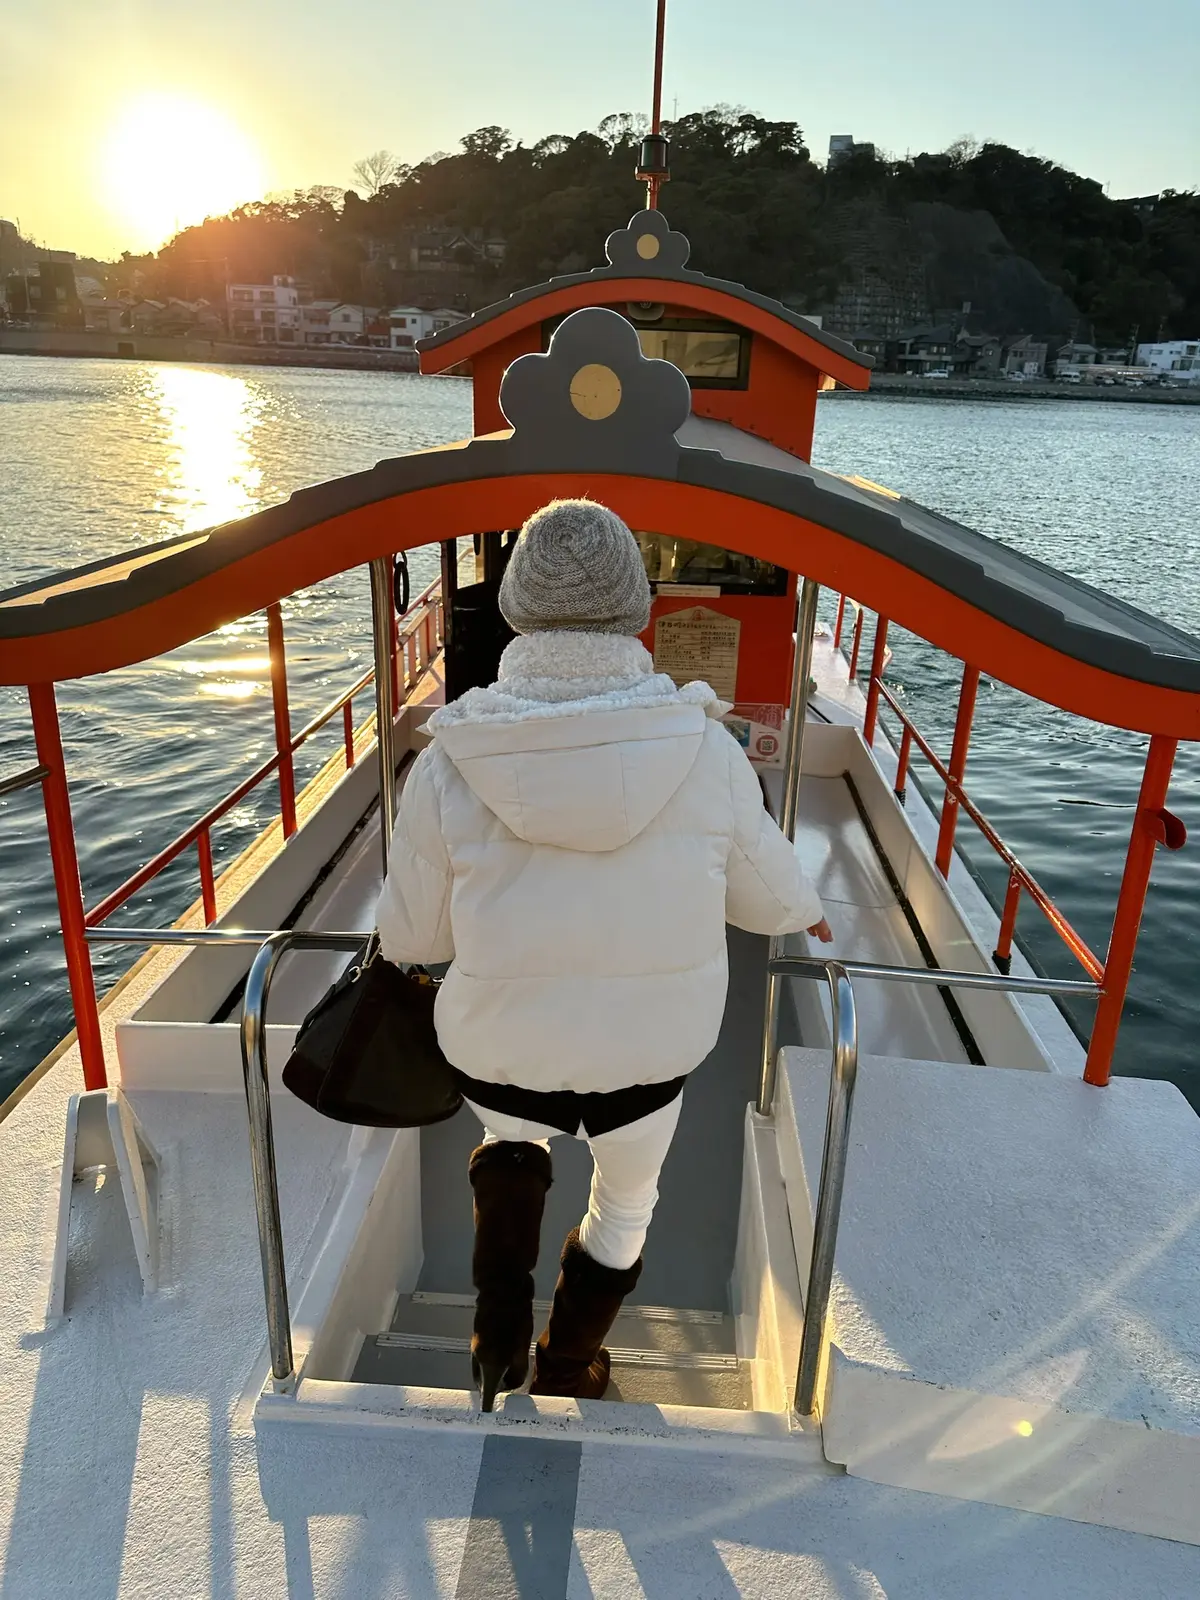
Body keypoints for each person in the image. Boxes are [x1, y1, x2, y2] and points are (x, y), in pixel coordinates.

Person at [376, 499, 830, 1410]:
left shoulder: (450, 756)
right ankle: (567, 1364)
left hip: (498, 1055)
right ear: (636, 610)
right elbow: (768, 901)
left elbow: (414, 940)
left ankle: (497, 1328)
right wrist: (807, 910)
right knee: (625, 1205)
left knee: (509, 1137)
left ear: (514, 607)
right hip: (646, 1062)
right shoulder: (707, 749)